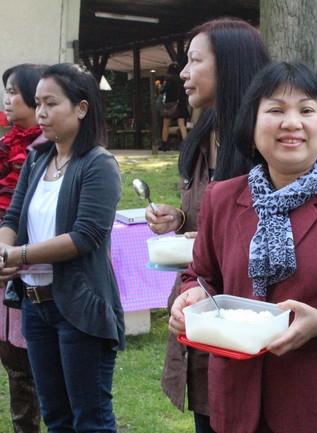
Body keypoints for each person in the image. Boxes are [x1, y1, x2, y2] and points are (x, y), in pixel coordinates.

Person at [168, 61, 317, 433]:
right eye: (275, 110)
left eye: (306, 110)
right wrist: (190, 296)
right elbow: (200, 276)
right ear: (252, 124)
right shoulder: (222, 198)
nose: (291, 123)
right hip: (236, 404)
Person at [145, 17, 271, 433]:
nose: (183, 72)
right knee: (208, 414)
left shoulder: (264, 144)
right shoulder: (203, 135)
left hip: (247, 323)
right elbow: (206, 220)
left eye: (195, 61)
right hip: (199, 311)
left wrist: (210, 241)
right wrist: (178, 219)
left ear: (230, 66)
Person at [0, 63, 124, 432]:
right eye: (38, 103)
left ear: (81, 108)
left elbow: (85, 236)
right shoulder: (38, 158)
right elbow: (13, 217)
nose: (41, 112)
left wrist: (19, 256)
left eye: (51, 103)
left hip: (79, 307)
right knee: (56, 418)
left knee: (90, 419)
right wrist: (3, 251)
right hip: (35, 306)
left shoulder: (98, 164)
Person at [0, 63, 47, 433]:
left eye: (14, 91)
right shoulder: (4, 146)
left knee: (36, 362)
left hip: (35, 269)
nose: (7, 99)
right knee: (13, 362)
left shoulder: (49, 150)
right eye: (6, 91)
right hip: (3, 262)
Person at [159, 62, 189, 151]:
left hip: (170, 104)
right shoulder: (182, 80)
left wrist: (160, 89)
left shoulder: (169, 78)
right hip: (181, 104)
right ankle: (186, 144)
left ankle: (164, 144)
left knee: (166, 124)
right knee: (181, 124)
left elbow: (164, 89)